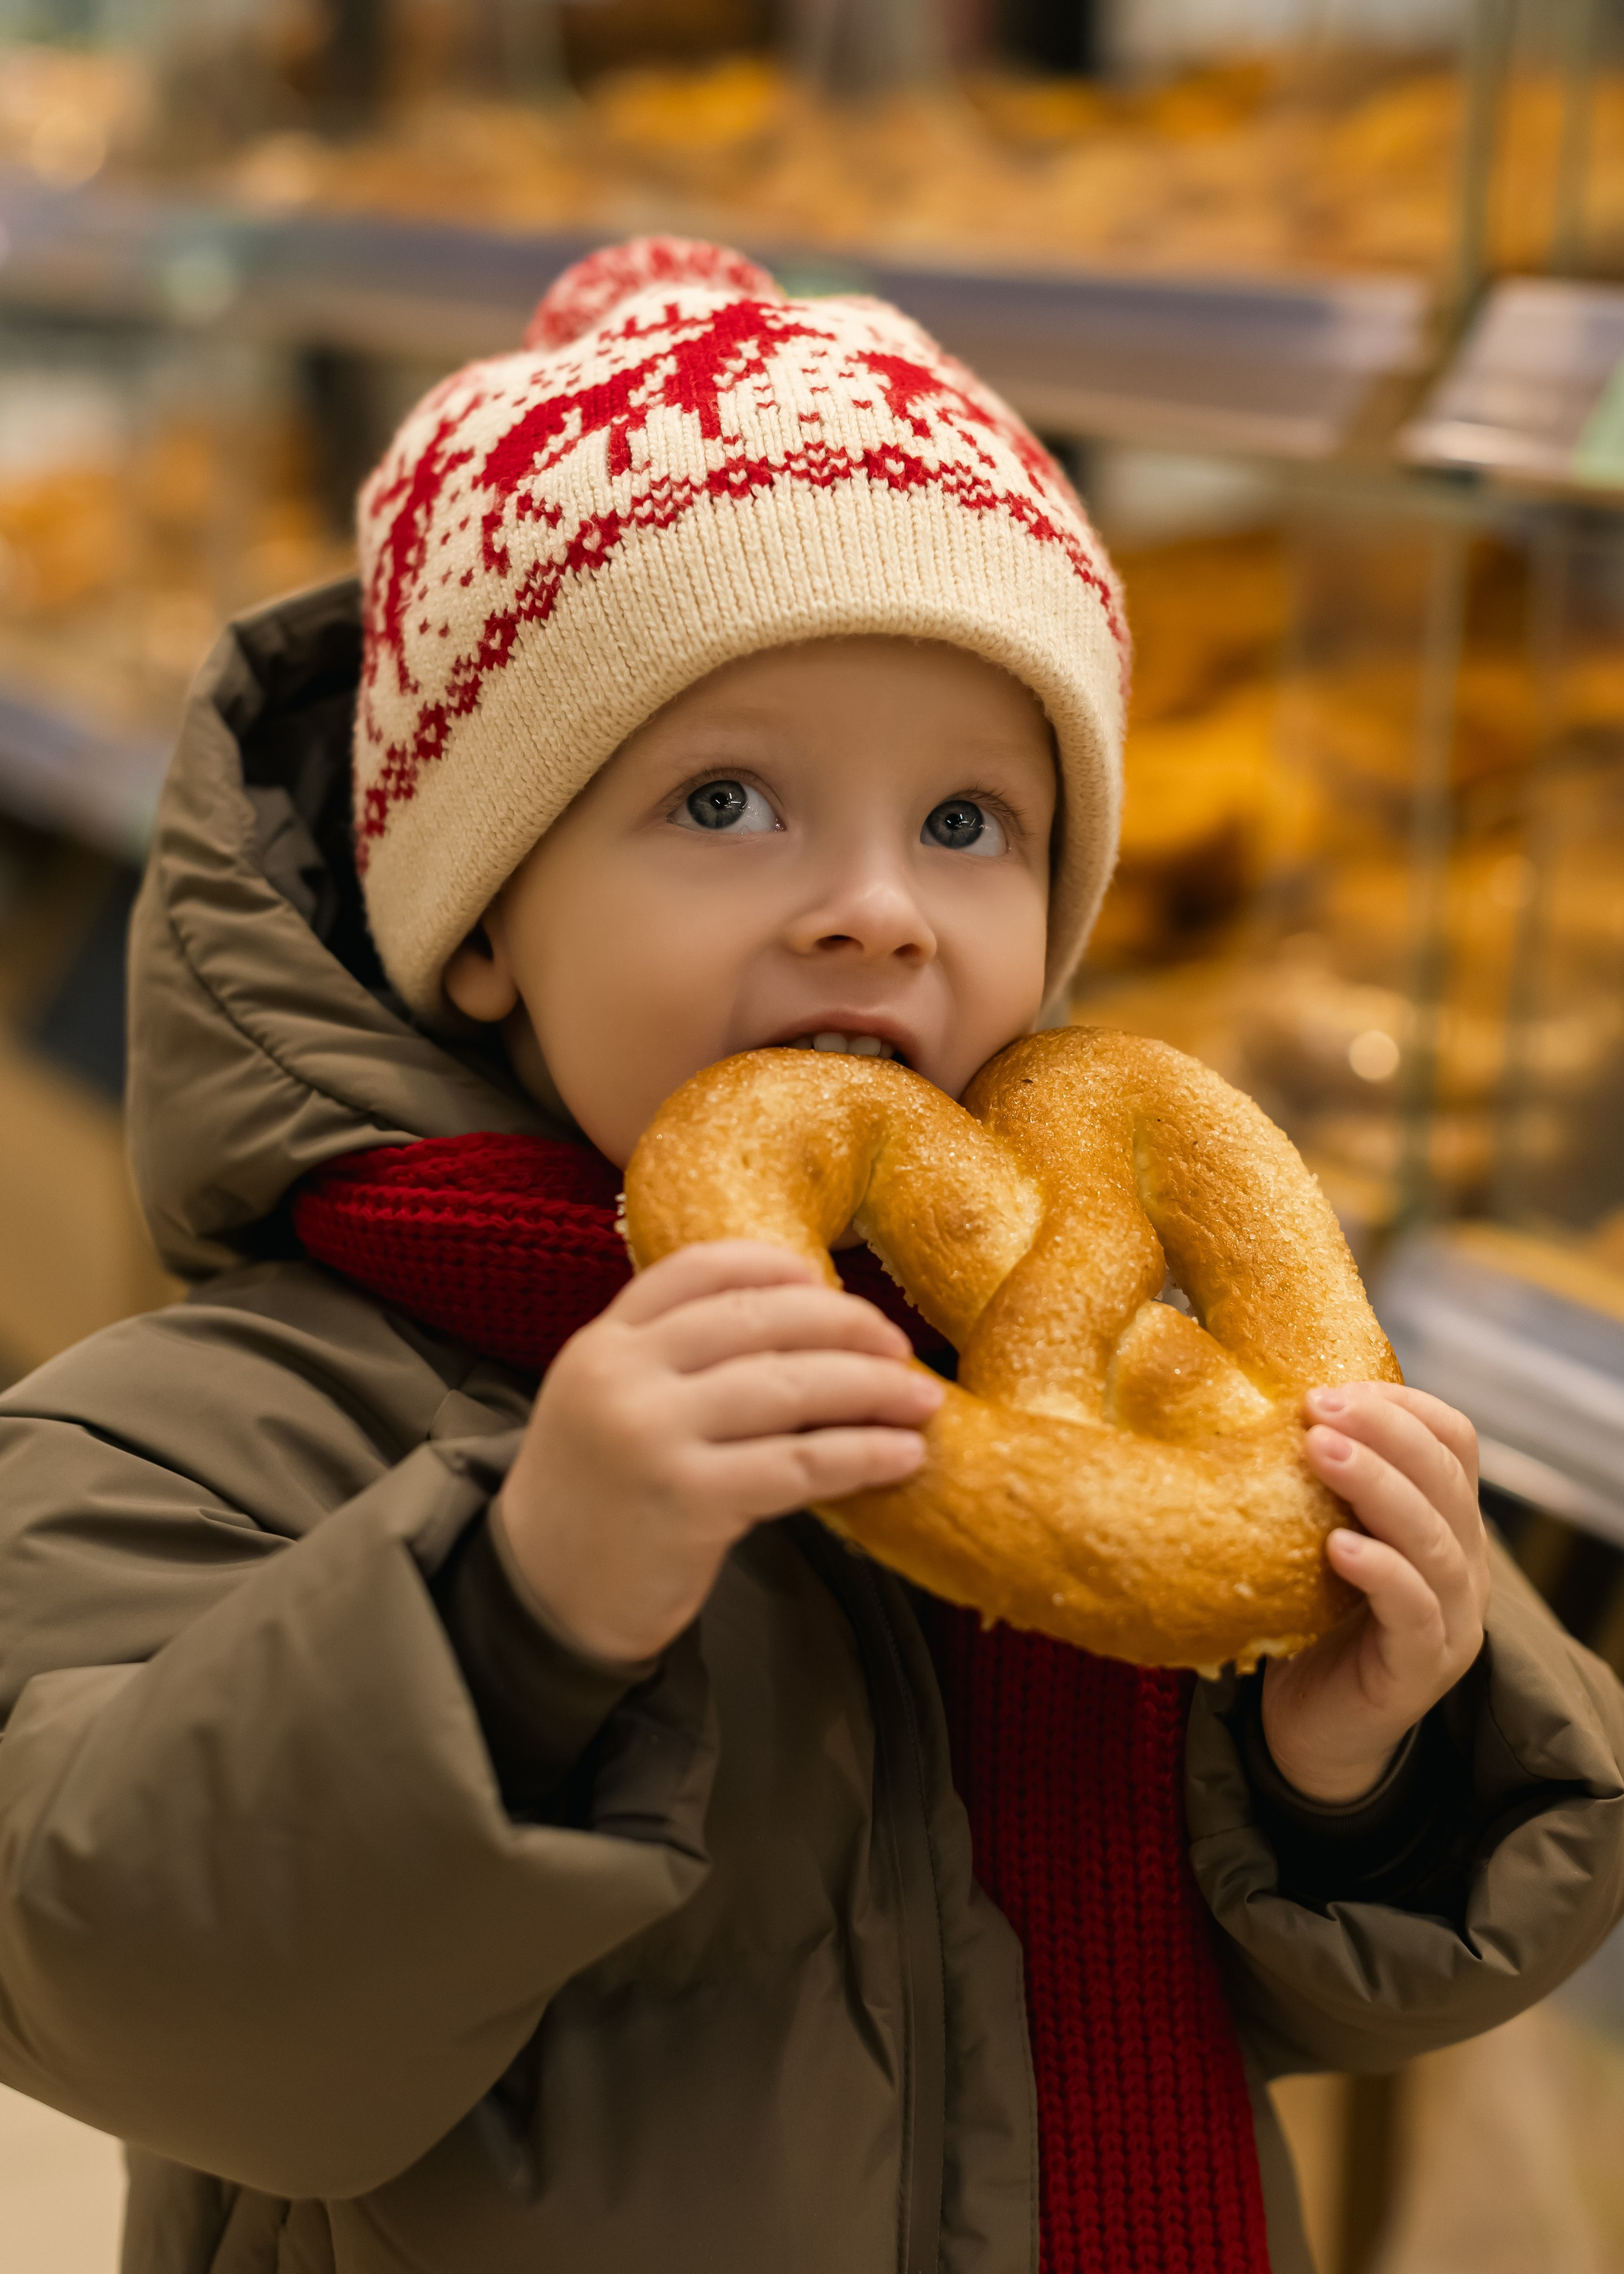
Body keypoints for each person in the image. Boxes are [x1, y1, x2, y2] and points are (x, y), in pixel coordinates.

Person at [0, 238, 1619, 2274]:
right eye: (731, 797)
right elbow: (146, 1995)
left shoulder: (1122, 1390)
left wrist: (1352, 1769)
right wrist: (513, 1624)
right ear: (482, 913)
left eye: (968, 825)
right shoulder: (210, 1431)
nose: (877, 909)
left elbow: (1274, 2000)